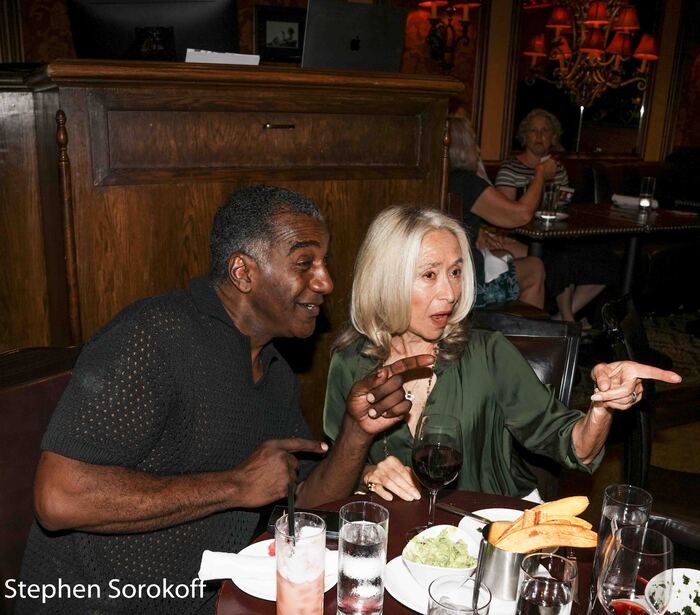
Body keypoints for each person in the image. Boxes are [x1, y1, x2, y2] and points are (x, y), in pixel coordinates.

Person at [17, 186, 432, 614]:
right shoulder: (153, 337)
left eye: (324, 263)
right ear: (243, 273)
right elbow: (58, 498)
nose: (325, 282)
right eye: (305, 263)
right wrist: (235, 485)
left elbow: (303, 503)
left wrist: (356, 431)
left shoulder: (274, 375)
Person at [323, 206, 681, 503]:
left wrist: (601, 407)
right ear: (386, 281)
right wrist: (369, 474)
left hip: (492, 528)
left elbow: (575, 447)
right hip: (400, 531)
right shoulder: (350, 364)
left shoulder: (488, 353)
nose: (450, 292)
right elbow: (331, 471)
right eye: (429, 275)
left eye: (456, 272)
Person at [495, 109, 616, 323]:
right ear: (524, 135)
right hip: (521, 237)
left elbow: (563, 209)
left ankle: (560, 318)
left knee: (606, 260)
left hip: (554, 236)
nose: (539, 136)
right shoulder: (510, 167)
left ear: (553, 137)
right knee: (561, 260)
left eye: (545, 131)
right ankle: (569, 322)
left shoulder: (559, 170)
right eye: (533, 130)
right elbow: (506, 216)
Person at [448, 115, 555, 309]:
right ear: (464, 147)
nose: (478, 149)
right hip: (469, 285)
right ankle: (525, 336)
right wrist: (540, 174)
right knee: (535, 267)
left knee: (505, 253)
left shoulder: (440, 178)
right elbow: (520, 215)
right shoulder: (466, 182)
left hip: (450, 274)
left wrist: (478, 231)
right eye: (473, 142)